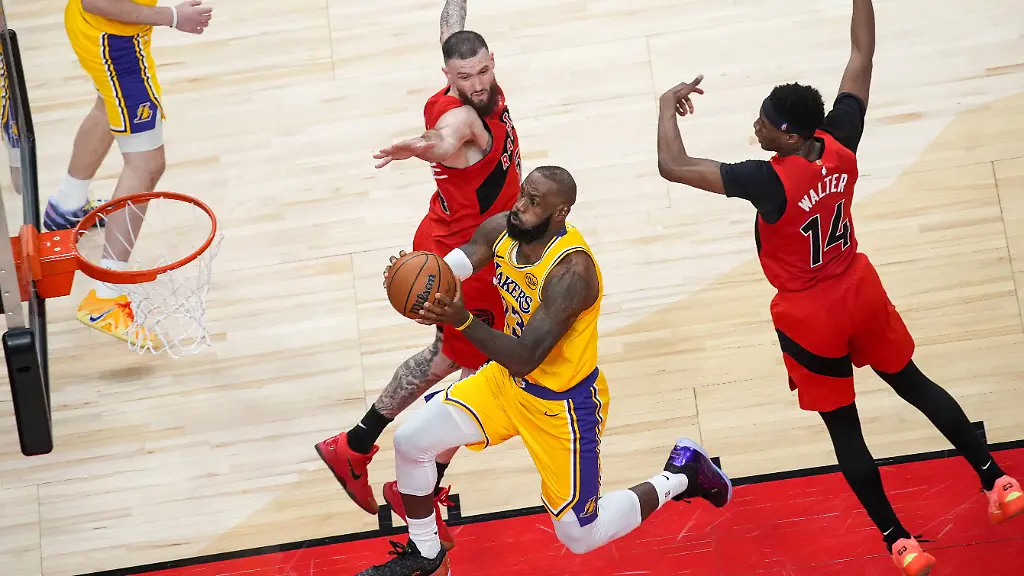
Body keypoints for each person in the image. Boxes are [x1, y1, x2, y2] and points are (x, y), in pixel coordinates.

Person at [654, 0, 1023, 574]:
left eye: (764, 123)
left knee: (845, 427)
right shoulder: (840, 138)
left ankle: (899, 541)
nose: (756, 128)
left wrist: (664, 105)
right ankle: (996, 479)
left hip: (812, 315)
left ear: (789, 135)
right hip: (859, 288)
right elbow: (861, 56)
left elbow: (672, 166)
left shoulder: (765, 180)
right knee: (915, 384)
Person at [354, 166, 733, 576]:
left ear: (560, 212)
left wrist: (460, 318)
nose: (520, 206)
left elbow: (526, 356)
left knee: (581, 535)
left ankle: (682, 474)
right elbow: (458, 262)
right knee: (411, 441)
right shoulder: (505, 228)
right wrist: (421, 280)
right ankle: (426, 551)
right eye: (523, 194)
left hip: (562, 406)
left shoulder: (572, 273)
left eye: (533, 203)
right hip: (506, 384)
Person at [315, 0, 522, 548]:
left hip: (454, 239)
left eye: (483, 71)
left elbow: (453, 28)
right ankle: (411, 480)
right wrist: (421, 146)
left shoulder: (468, 76)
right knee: (485, 369)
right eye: (466, 78)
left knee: (451, 358)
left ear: (489, 60)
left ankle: (358, 447)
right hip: (466, 262)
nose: (477, 84)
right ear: (448, 77)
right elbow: (447, 138)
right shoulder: (463, 119)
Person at [57, 0, 212, 346]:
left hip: (102, 31)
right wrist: (173, 17)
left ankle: (66, 207)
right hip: (114, 40)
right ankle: (106, 295)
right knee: (147, 165)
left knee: (107, 104)